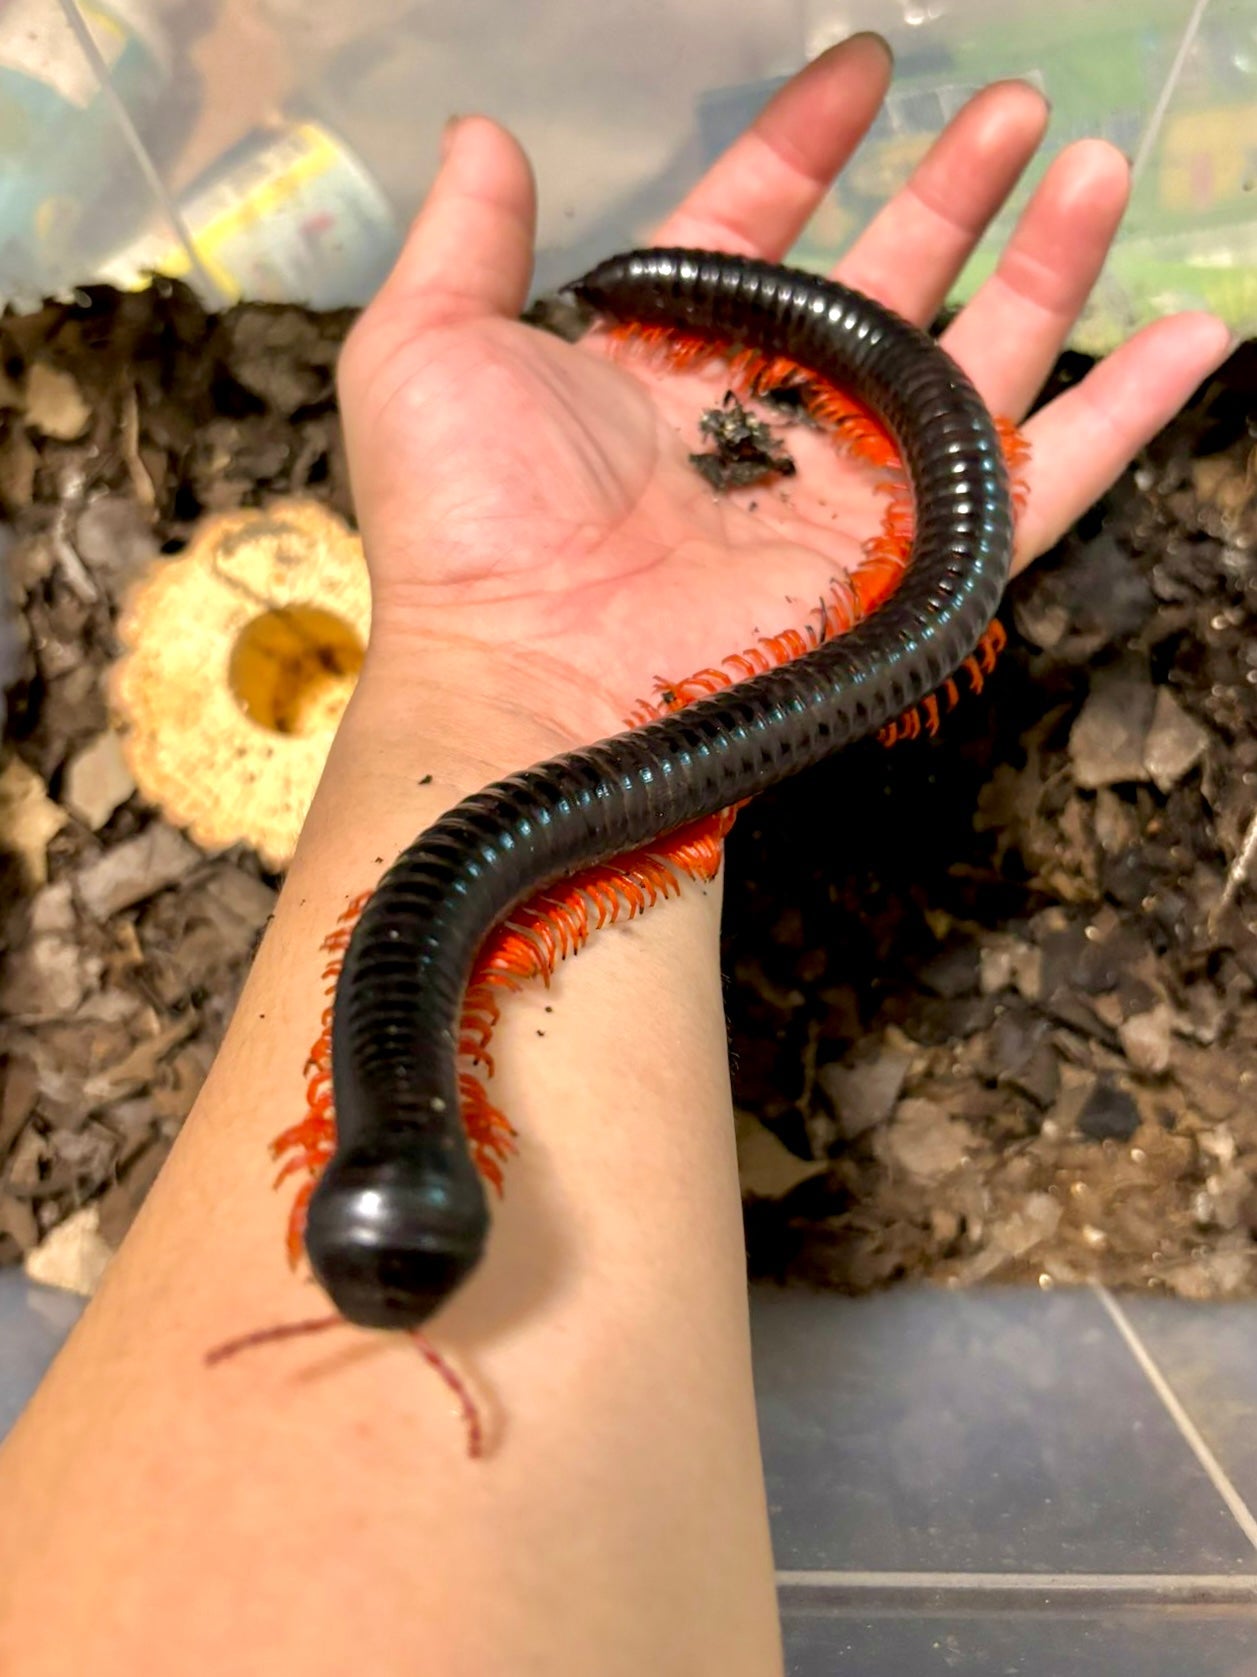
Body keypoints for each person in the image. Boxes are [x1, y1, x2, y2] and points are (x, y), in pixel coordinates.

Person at [0, 35, 1233, 1677]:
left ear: (361, 1146)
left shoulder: (410, 1068)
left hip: (794, 590)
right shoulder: (399, 1104)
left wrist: (512, 696)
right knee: (479, 883)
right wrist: (513, 687)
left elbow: (432, 916)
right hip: (769, 623)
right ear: (438, 1156)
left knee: (471, 886)